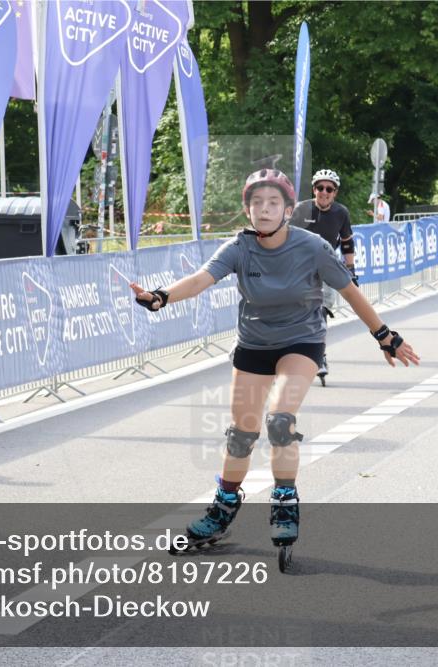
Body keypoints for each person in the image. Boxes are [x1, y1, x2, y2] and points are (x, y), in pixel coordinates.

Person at [130, 169, 420, 567]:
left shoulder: (312, 247)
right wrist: (161, 297)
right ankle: (223, 508)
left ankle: (284, 500)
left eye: (273, 203)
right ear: (247, 210)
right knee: (240, 436)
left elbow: (350, 292)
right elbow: (200, 280)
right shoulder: (239, 247)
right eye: (257, 203)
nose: (264, 210)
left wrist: (386, 336)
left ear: (287, 210)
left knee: (280, 421)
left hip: (301, 341)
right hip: (253, 344)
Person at [288, 169, 355, 384]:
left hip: (326, 265)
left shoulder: (341, 212)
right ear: (314, 189)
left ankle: (320, 355)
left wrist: (351, 270)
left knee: (321, 310)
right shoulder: (301, 209)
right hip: (300, 266)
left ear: (335, 193)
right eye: (320, 188)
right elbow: (286, 238)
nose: (324, 192)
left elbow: (347, 243)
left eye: (329, 189)